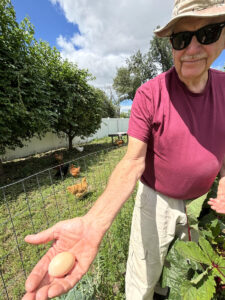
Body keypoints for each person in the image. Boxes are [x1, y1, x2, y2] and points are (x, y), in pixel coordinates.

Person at [22, 1, 225, 299]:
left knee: (187, 273)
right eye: (181, 38)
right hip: (156, 202)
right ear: (171, 44)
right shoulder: (150, 94)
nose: (192, 47)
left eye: (207, 33)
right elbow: (131, 162)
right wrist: (92, 223)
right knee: (143, 275)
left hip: (204, 202)